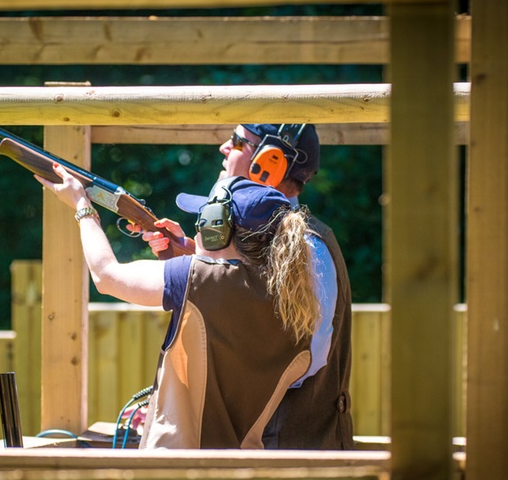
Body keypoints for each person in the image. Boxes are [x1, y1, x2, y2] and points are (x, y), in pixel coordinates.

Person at [37, 164, 319, 449]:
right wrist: (185, 252)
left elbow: (106, 276)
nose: (198, 224)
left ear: (217, 229)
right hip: (242, 472)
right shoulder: (291, 304)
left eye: (204, 218)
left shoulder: (202, 279)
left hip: (178, 471)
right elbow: (226, 284)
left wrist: (83, 208)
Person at [134, 123, 354, 450]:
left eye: (238, 141)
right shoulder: (287, 238)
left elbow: (283, 355)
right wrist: (197, 259)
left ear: (272, 161)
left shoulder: (305, 247)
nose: (225, 147)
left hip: (286, 458)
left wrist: (200, 278)